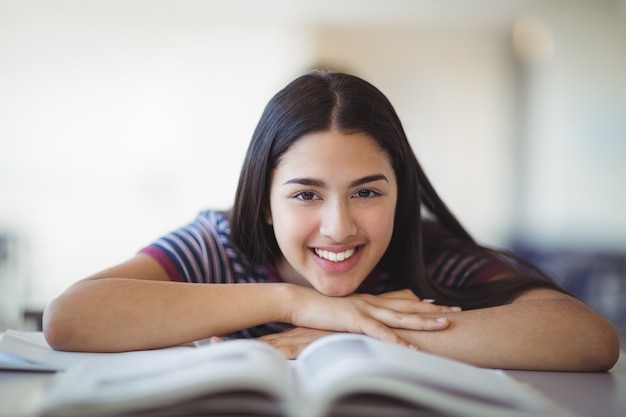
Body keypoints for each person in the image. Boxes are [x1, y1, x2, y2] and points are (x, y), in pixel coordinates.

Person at [43, 70, 619, 371]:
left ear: (401, 194)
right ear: (264, 204)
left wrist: (348, 333)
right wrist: (294, 304)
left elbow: (589, 339)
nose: (338, 227)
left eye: (367, 191)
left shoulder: (424, 252)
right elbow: (70, 318)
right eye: (305, 195)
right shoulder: (220, 246)